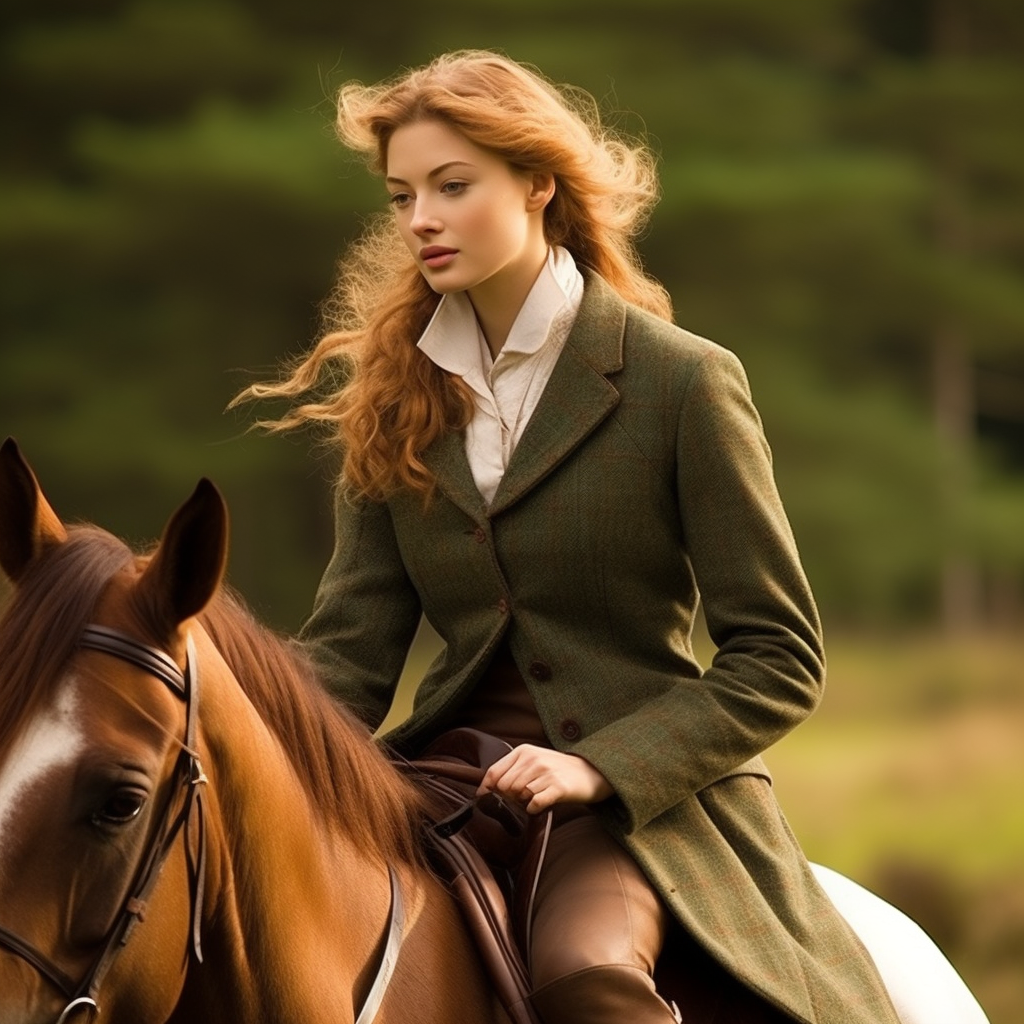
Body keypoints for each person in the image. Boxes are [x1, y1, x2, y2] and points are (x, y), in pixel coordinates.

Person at [241, 50, 902, 1024]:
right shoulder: (391, 402)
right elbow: (351, 651)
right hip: (447, 780)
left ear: (538, 184)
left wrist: (599, 766)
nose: (420, 217)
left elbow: (778, 657)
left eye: (452, 185)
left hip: (634, 801)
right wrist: (227, 740)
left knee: (583, 973)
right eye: (401, 195)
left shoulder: (683, 383)